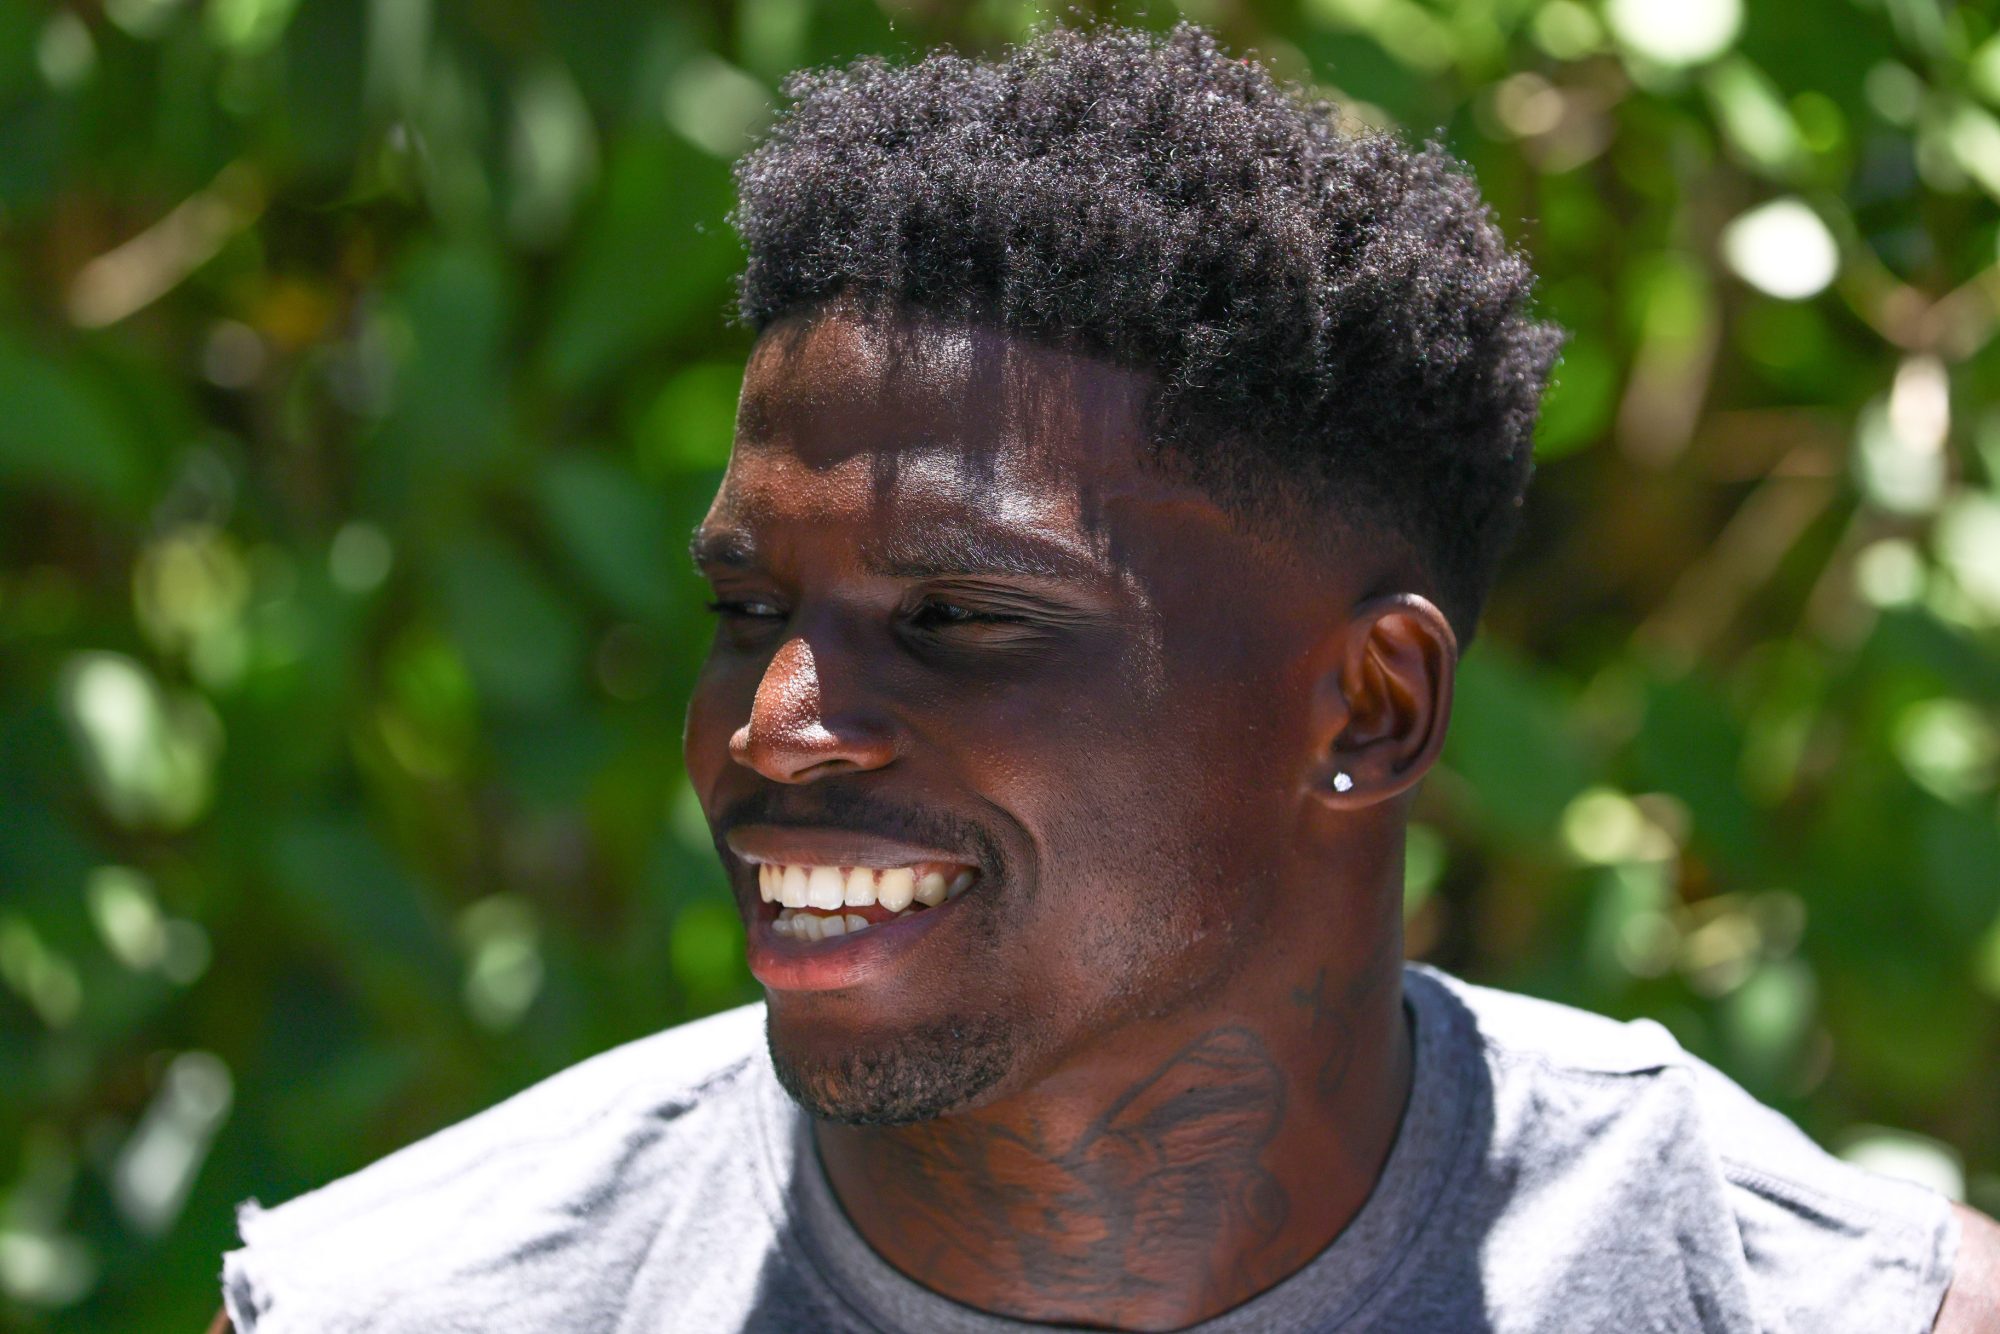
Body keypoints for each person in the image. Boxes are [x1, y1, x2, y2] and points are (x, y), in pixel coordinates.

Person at [211, 23, 2000, 1333]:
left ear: (1368, 709)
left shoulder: (1802, 1301)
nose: (769, 727)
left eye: (964, 618)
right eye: (753, 610)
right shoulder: (406, 1303)